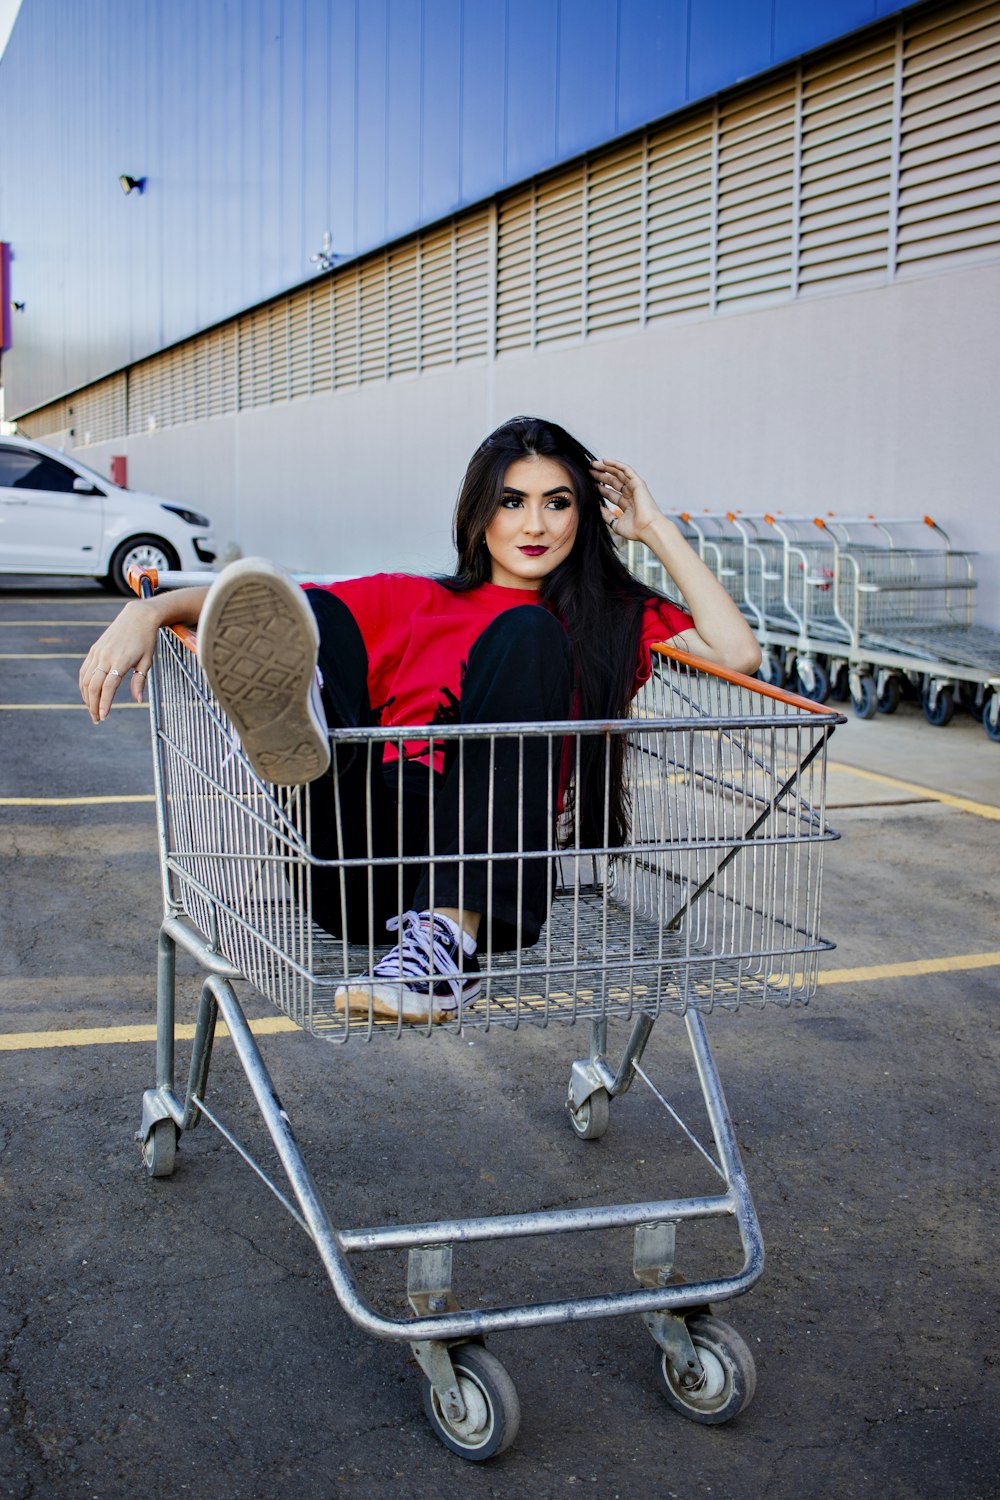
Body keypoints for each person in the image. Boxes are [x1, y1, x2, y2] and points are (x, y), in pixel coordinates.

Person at [80, 416, 760, 1023]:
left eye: (558, 504)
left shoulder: (608, 625)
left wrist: (653, 528)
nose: (535, 525)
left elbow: (737, 653)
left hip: (489, 877)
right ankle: (300, 715)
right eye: (511, 502)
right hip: (355, 862)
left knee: (526, 632)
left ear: (583, 516)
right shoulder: (414, 601)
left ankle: (442, 938)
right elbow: (266, 603)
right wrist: (148, 610)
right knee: (320, 620)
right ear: (479, 515)